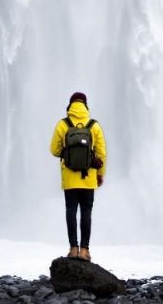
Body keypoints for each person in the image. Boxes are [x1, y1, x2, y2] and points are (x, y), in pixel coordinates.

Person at [49, 91, 107, 262]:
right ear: (85, 105)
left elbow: (53, 150)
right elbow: (101, 154)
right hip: (88, 178)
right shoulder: (93, 125)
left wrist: (67, 154)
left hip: (69, 177)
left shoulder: (63, 124)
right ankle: (85, 251)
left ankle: (73, 249)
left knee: (71, 211)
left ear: (70, 105)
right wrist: (100, 174)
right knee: (86, 212)